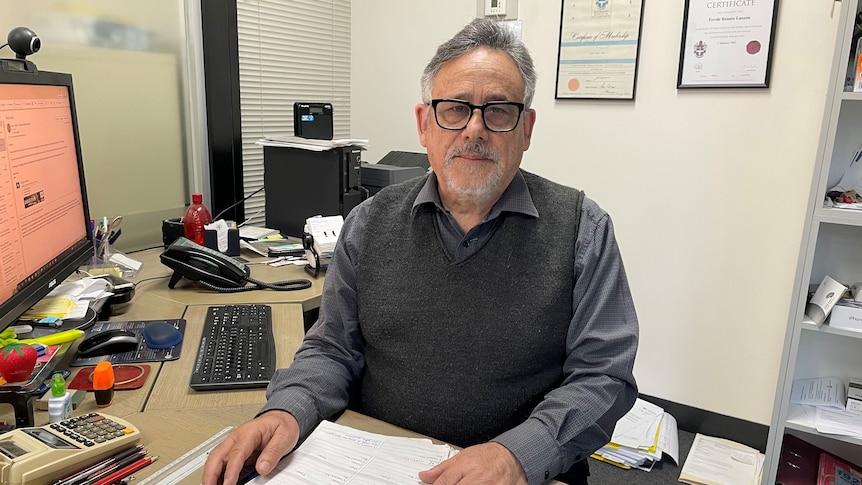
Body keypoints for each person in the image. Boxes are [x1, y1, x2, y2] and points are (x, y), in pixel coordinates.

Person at [203, 17, 638, 485]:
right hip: (377, 463)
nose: (474, 129)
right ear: (423, 124)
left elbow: (603, 378)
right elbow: (332, 350)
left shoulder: (582, 230)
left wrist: (516, 454)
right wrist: (287, 412)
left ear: (526, 129)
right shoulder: (368, 224)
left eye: (498, 111)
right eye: (454, 109)